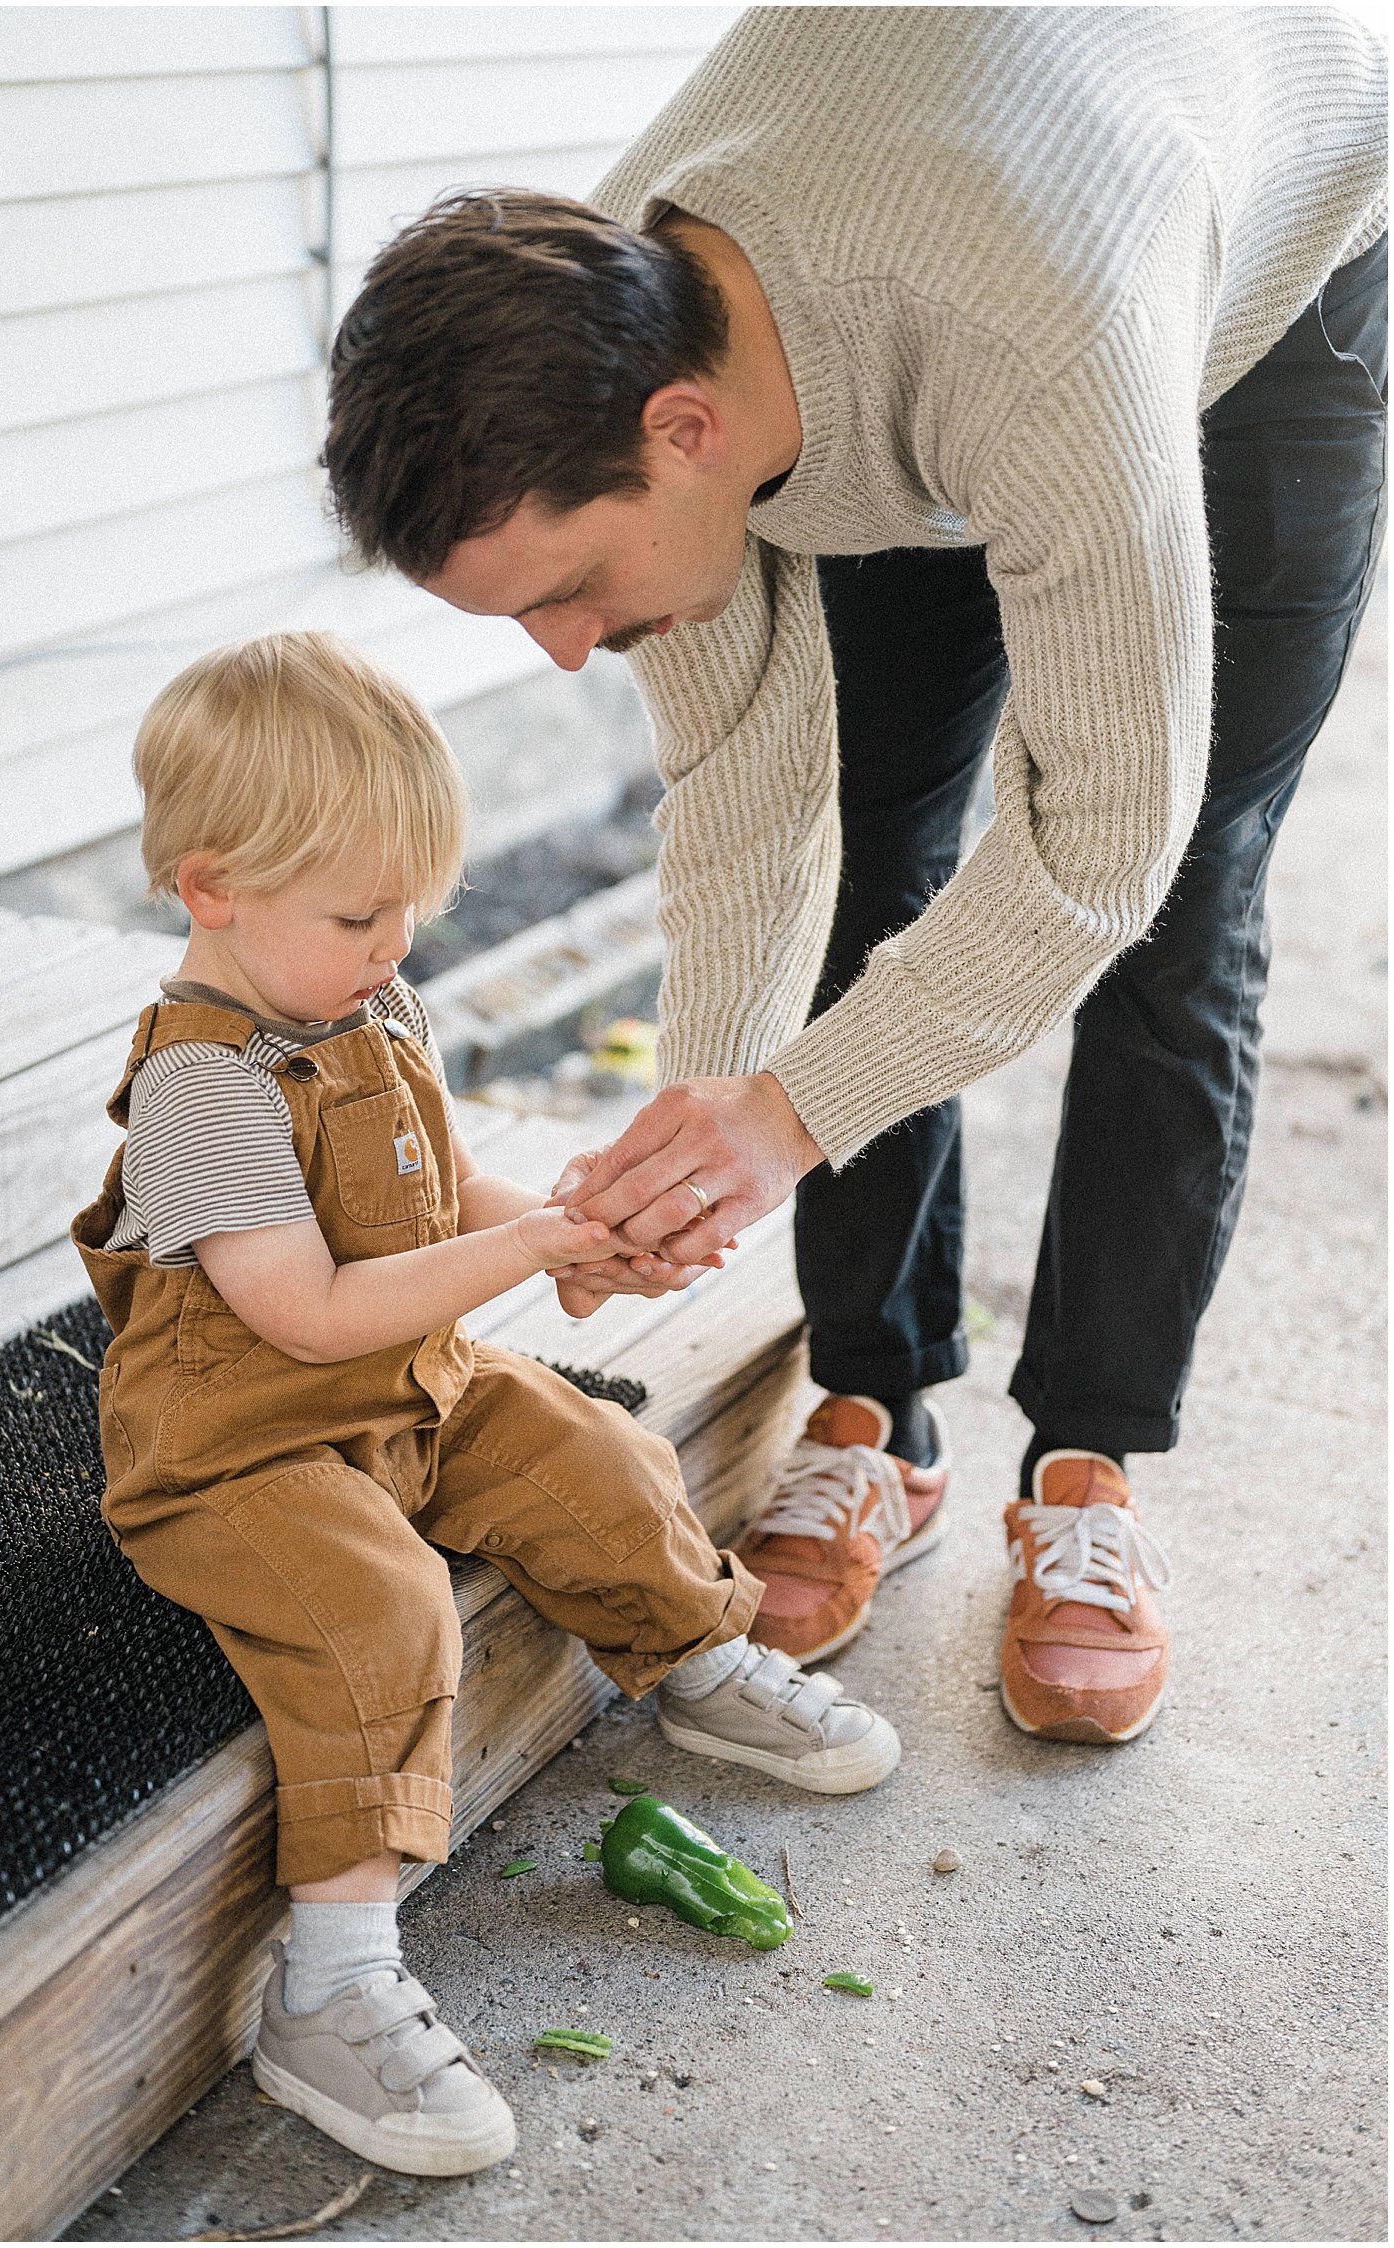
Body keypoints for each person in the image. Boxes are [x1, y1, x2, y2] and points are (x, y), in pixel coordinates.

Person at [322, 7, 1387, 1746]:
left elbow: (1095, 845)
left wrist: (788, 1119)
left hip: (1244, 242)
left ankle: (1090, 1470)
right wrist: (698, 1134)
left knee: (1180, 887)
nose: (574, 654)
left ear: (680, 428)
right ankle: (875, 1406)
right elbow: (754, 796)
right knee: (879, 838)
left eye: (566, 592)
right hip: (931, 229)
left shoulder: (1027, 347)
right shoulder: (608, 330)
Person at [70, 630, 899, 2178]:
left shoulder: (358, 1005)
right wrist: (516, 1251)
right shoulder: (206, 1086)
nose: (397, 944)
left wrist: (571, 1236)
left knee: (592, 1449)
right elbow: (299, 1310)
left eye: (412, 911)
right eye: (360, 913)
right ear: (211, 888)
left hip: (400, 1385)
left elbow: (429, 1182)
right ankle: (331, 1982)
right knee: (385, 1614)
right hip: (239, 1442)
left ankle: (698, 1652)